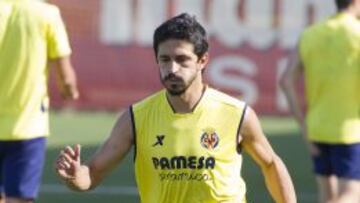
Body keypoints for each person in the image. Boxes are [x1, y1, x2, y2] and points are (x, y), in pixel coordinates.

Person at [55, 13, 296, 203]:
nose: (172, 69)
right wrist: (76, 178)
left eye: (182, 60)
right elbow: (93, 173)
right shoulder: (135, 118)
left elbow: (271, 164)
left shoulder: (236, 114)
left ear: (203, 61)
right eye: (164, 59)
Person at [280, 0, 360, 202]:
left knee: (328, 196)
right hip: (349, 130)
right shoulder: (356, 34)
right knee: (352, 194)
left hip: (316, 128)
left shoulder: (311, 33)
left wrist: (303, 125)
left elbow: (286, 81)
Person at [0, 0, 79, 202]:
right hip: (27, 127)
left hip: (24, 127)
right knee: (18, 198)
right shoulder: (47, 14)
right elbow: (66, 76)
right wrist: (70, 91)